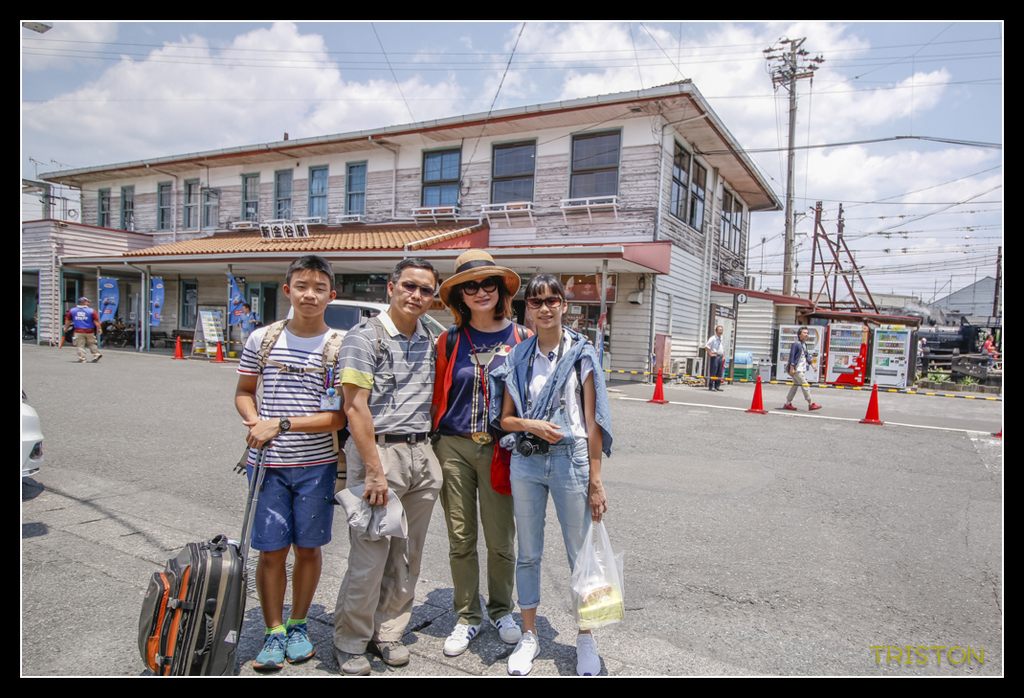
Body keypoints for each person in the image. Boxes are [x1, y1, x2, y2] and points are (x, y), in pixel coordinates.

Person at [491, 273, 613, 677]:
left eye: (552, 300)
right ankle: (529, 635)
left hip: (571, 458)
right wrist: (532, 425)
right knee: (528, 552)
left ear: (564, 305)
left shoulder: (581, 354)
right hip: (527, 459)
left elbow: (593, 423)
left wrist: (596, 480)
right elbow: (504, 420)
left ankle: (585, 637)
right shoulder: (519, 356)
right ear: (529, 308)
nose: (545, 307)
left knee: (581, 555)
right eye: (537, 301)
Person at [234, 255, 346, 672]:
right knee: (270, 552)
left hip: (317, 465)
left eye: (319, 287)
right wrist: (253, 421)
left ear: (331, 295)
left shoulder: (338, 346)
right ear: (287, 291)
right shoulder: (262, 339)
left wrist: (278, 423)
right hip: (267, 466)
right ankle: (273, 630)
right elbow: (245, 390)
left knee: (309, 549)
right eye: (301, 285)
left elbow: (338, 417)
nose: (309, 294)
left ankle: (299, 624)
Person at [332, 258, 443, 676]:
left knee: (408, 557)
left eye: (426, 290)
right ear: (391, 288)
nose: (417, 295)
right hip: (379, 455)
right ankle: (350, 640)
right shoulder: (364, 337)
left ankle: (388, 632)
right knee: (370, 556)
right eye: (409, 286)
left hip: (422, 454)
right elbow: (355, 407)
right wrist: (374, 472)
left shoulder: (433, 338)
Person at [432, 251, 529, 657]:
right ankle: (468, 615)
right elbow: (432, 393)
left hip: (501, 449)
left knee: (502, 538)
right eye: (470, 285)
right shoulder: (448, 339)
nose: (480, 291)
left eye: (489, 283)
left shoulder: (521, 338)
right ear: (459, 295)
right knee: (460, 536)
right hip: (453, 446)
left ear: (501, 290)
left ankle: (502, 609)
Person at [782, 326, 821, 411]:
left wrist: (812, 365)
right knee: (805, 385)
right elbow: (791, 356)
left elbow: (807, 356)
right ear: (799, 335)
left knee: (795, 386)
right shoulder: (796, 344)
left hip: (800, 368)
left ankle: (788, 403)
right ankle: (811, 403)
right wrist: (792, 368)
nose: (806, 334)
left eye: (807, 333)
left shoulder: (804, 344)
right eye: (804, 333)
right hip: (797, 369)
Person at [64, 296, 102, 363]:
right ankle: (96, 354)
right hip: (90, 330)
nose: (88, 303)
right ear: (84, 303)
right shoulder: (91, 311)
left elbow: (68, 320)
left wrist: (66, 327)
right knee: (91, 343)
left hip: (78, 330)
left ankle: (82, 358)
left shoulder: (72, 310)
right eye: (87, 302)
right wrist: (99, 328)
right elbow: (96, 321)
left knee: (80, 345)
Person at [704, 325, 726, 391]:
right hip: (715, 357)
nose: (720, 331)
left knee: (719, 372)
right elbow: (707, 347)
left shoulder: (721, 338)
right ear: (716, 331)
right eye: (719, 330)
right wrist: (710, 354)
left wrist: (723, 352)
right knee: (713, 371)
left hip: (720, 356)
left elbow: (722, 347)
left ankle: (717, 385)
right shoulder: (713, 338)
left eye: (721, 330)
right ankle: (711, 386)